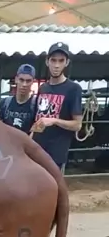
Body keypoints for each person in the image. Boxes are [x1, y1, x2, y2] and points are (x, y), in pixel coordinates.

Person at [31, 42, 83, 172]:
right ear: (47, 62)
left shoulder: (73, 89)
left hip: (55, 154)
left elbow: (77, 125)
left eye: (61, 61)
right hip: (37, 150)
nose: (56, 65)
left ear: (67, 63)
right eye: (53, 60)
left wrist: (54, 120)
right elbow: (38, 118)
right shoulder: (43, 88)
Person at [0, 64, 37, 134]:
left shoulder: (36, 105)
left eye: (28, 81)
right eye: (21, 80)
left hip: (27, 140)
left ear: (33, 81)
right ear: (16, 79)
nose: (24, 84)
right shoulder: (4, 103)